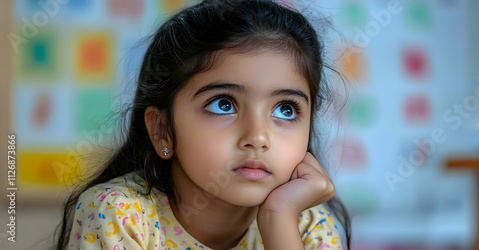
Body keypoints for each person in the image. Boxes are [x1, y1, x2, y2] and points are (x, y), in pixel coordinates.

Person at [55, 0, 351, 249]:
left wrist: (278, 221)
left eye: (285, 110)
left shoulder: (309, 226)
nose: (258, 137)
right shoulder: (118, 213)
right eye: (224, 104)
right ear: (162, 130)